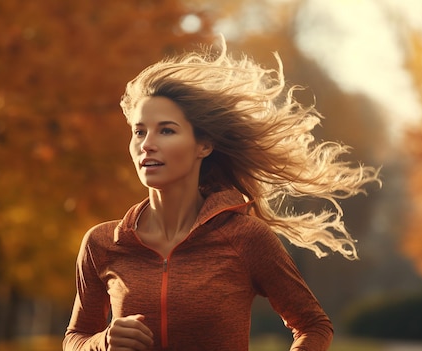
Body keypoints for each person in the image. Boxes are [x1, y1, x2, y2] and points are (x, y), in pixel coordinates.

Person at [63, 38, 380, 351]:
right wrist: (101, 342)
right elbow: (75, 336)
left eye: (167, 130)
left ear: (204, 145)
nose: (147, 143)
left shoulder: (245, 238)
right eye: (139, 131)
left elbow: (313, 326)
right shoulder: (102, 243)